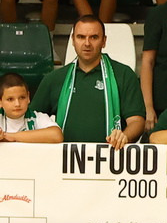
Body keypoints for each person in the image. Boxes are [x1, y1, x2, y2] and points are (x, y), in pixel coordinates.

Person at [30, 15, 144, 146]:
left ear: (104, 41)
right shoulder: (55, 78)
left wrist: (124, 137)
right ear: (73, 40)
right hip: (64, 157)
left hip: (111, 154)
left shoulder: (124, 74)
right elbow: (30, 120)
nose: (87, 43)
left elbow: (137, 122)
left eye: (94, 37)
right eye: (81, 37)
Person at [0, 72, 60, 142]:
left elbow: (57, 135)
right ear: (0, 102)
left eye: (22, 97)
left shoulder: (37, 118)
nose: (17, 104)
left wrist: (9, 136)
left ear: (28, 97)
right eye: (10, 99)